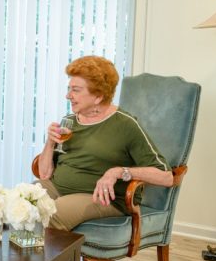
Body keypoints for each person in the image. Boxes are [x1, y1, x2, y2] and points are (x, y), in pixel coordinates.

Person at [37, 55, 173, 230]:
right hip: (57, 188)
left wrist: (118, 172)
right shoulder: (69, 121)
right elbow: (44, 174)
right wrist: (50, 142)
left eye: (76, 90)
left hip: (101, 197)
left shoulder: (125, 125)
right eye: (69, 88)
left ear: (98, 97)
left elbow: (166, 177)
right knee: (16, 202)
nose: (68, 95)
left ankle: (49, 257)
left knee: (52, 215)